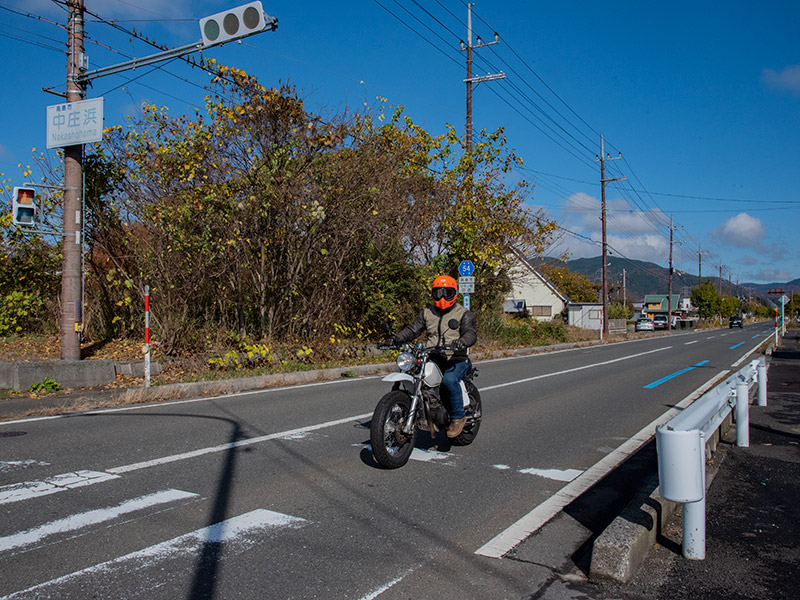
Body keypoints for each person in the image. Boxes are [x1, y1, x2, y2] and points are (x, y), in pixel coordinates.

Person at [385, 275, 477, 438]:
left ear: (454, 293)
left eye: (446, 292)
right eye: (438, 293)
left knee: (449, 380)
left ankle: (458, 417)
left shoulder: (463, 313)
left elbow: (470, 334)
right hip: (432, 355)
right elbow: (413, 329)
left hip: (455, 357)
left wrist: (461, 342)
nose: (441, 297)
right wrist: (397, 338)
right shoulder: (427, 313)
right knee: (413, 372)